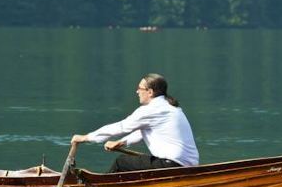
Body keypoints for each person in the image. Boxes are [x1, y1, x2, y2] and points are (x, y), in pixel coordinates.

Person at [71, 73, 199, 172]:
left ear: (150, 92)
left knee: (121, 162)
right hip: (190, 165)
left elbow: (121, 127)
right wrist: (121, 142)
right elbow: (143, 132)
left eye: (139, 88)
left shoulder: (150, 110)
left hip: (172, 164)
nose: (137, 92)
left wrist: (85, 137)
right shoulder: (171, 107)